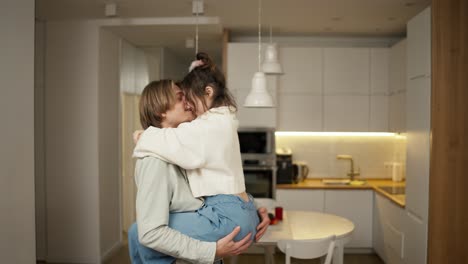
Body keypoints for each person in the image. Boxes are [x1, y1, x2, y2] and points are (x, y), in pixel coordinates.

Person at [132, 52, 263, 263]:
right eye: (179, 97)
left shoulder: (193, 141)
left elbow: (216, 189)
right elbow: (150, 233)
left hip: (225, 217)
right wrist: (211, 251)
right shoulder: (155, 160)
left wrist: (254, 210)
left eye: (187, 95)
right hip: (212, 235)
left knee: (134, 233)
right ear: (160, 112)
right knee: (135, 233)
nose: (188, 101)